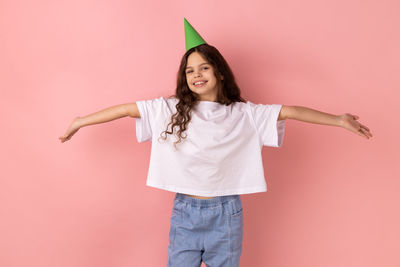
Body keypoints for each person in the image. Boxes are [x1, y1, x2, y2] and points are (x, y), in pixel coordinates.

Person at [59, 18, 372, 267]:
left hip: (226, 212)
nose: (196, 75)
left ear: (220, 72)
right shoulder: (169, 109)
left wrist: (338, 119)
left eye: (204, 68)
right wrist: (81, 121)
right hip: (185, 210)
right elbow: (127, 109)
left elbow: (290, 110)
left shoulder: (245, 114)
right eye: (190, 70)